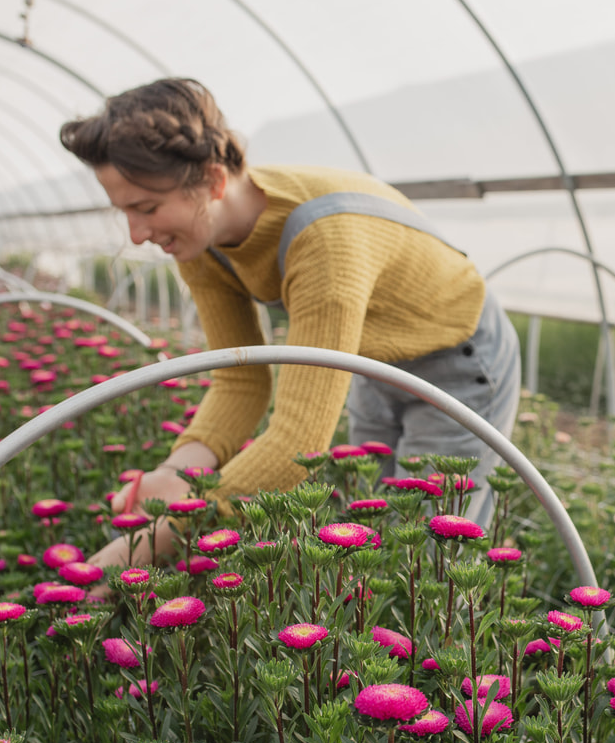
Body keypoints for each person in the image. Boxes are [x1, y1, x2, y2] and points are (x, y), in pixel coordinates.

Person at [59, 78, 521, 569]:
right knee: (374, 529)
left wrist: (147, 546)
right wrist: (177, 473)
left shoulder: (326, 241)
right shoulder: (200, 238)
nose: (135, 235)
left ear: (214, 181)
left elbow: (297, 446)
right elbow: (240, 381)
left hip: (458, 359)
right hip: (374, 359)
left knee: (428, 555)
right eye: (123, 212)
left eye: (146, 208)